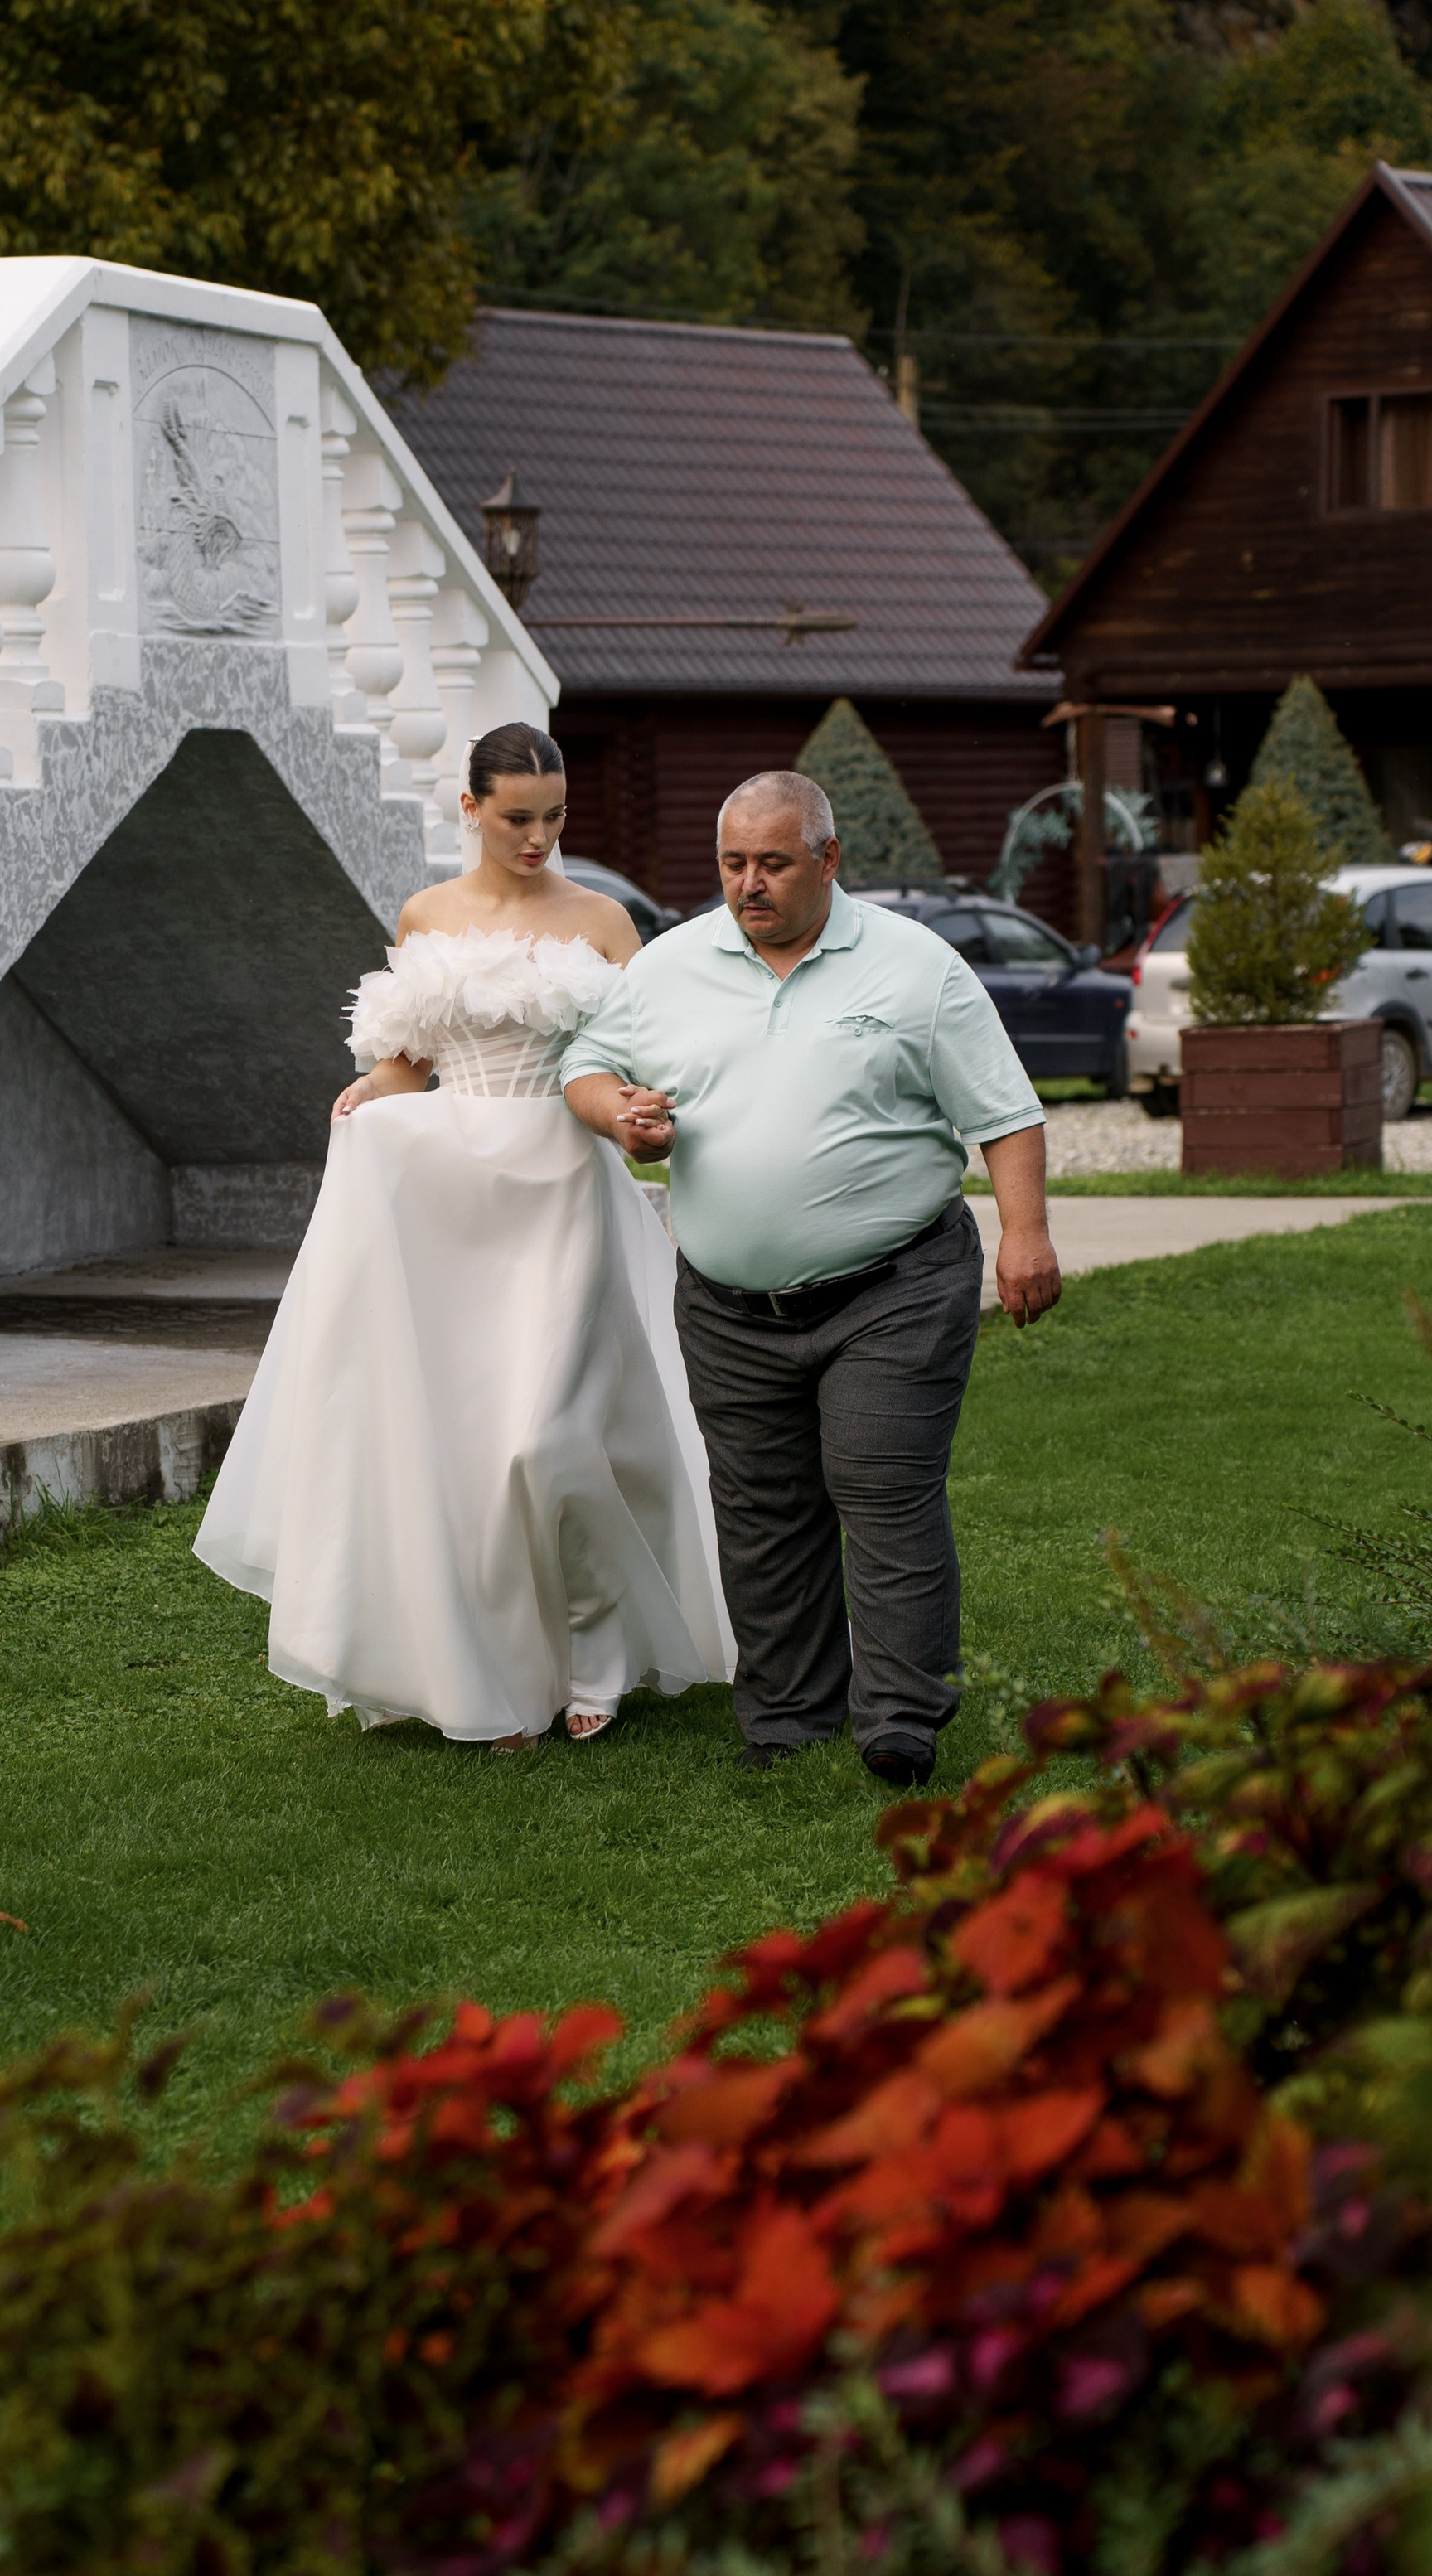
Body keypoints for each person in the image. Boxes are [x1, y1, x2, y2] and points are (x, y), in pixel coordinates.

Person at [194, 724, 731, 1747]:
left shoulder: (606, 921)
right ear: (471, 809)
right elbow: (408, 1062)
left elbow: (650, 1053)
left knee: (552, 1440)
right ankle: (484, 1676)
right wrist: (366, 1096)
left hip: (566, 1189)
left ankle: (599, 1657)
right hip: (448, 1200)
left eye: (555, 815)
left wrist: (642, 1108)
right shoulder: (427, 916)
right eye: (518, 816)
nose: (540, 836)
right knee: (466, 1445)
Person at [560, 770, 1059, 1785]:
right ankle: (787, 1717)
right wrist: (618, 1111)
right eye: (733, 863)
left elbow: (1003, 1114)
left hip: (893, 1285)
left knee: (880, 1491)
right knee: (760, 1506)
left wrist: (1025, 1236)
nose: (749, 884)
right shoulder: (669, 966)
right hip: (727, 1302)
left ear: (829, 861)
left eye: (773, 863)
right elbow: (586, 1059)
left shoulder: (916, 967)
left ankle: (898, 1722)